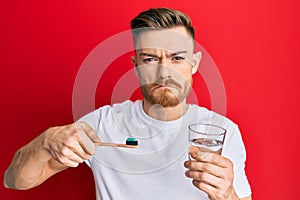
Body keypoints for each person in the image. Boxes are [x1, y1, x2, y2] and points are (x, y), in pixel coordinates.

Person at [4, 8, 252, 200]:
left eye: (177, 58)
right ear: (135, 66)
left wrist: (227, 194)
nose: (164, 72)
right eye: (150, 58)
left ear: (195, 63)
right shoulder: (104, 123)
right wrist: (46, 142)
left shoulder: (222, 130)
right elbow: (15, 180)